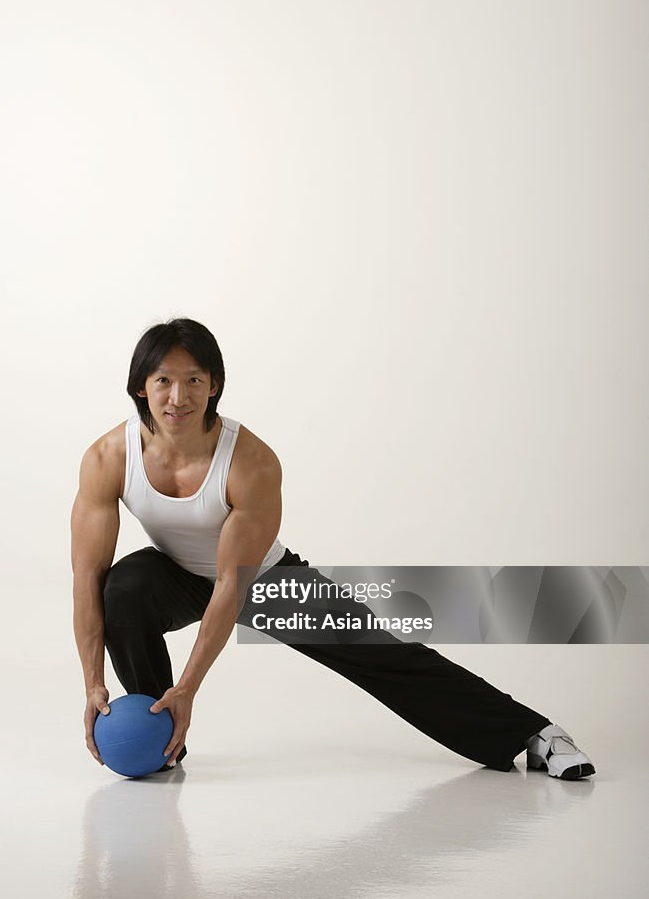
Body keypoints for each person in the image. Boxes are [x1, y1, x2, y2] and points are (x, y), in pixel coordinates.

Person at [70, 318, 596, 780]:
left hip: (260, 577)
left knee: (384, 656)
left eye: (193, 381)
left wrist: (190, 687)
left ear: (215, 387)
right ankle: (163, 739)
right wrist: (94, 684)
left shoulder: (250, 461)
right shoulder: (108, 457)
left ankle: (533, 734)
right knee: (122, 589)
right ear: (141, 387)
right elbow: (85, 577)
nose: (177, 398)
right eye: (163, 381)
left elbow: (234, 583)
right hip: (176, 572)